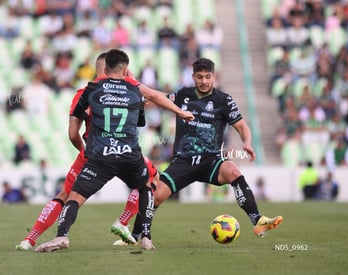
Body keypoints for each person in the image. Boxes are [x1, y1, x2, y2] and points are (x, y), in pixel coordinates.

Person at [34, 49, 194, 252]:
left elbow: (76, 117)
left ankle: (62, 236)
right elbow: (152, 98)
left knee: (74, 197)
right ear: (126, 69)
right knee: (146, 187)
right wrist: (180, 112)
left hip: (101, 155)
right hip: (129, 154)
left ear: (104, 68)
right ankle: (146, 237)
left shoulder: (92, 88)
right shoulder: (134, 88)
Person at [114, 57, 283, 246]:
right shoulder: (182, 95)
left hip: (210, 161)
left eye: (208, 77)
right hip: (183, 162)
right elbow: (156, 96)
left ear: (214, 77)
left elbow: (242, 127)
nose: (204, 81)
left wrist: (248, 143)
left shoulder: (223, 100)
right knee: (156, 196)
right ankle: (135, 236)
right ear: (193, 77)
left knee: (233, 171)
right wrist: (134, 83)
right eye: (200, 77)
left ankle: (257, 220)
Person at [15, 53, 108, 251]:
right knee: (149, 180)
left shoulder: (85, 92)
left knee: (65, 195)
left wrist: (84, 150)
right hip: (123, 152)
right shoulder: (129, 91)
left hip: (92, 153)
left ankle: (31, 238)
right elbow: (147, 104)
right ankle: (139, 233)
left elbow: (73, 133)